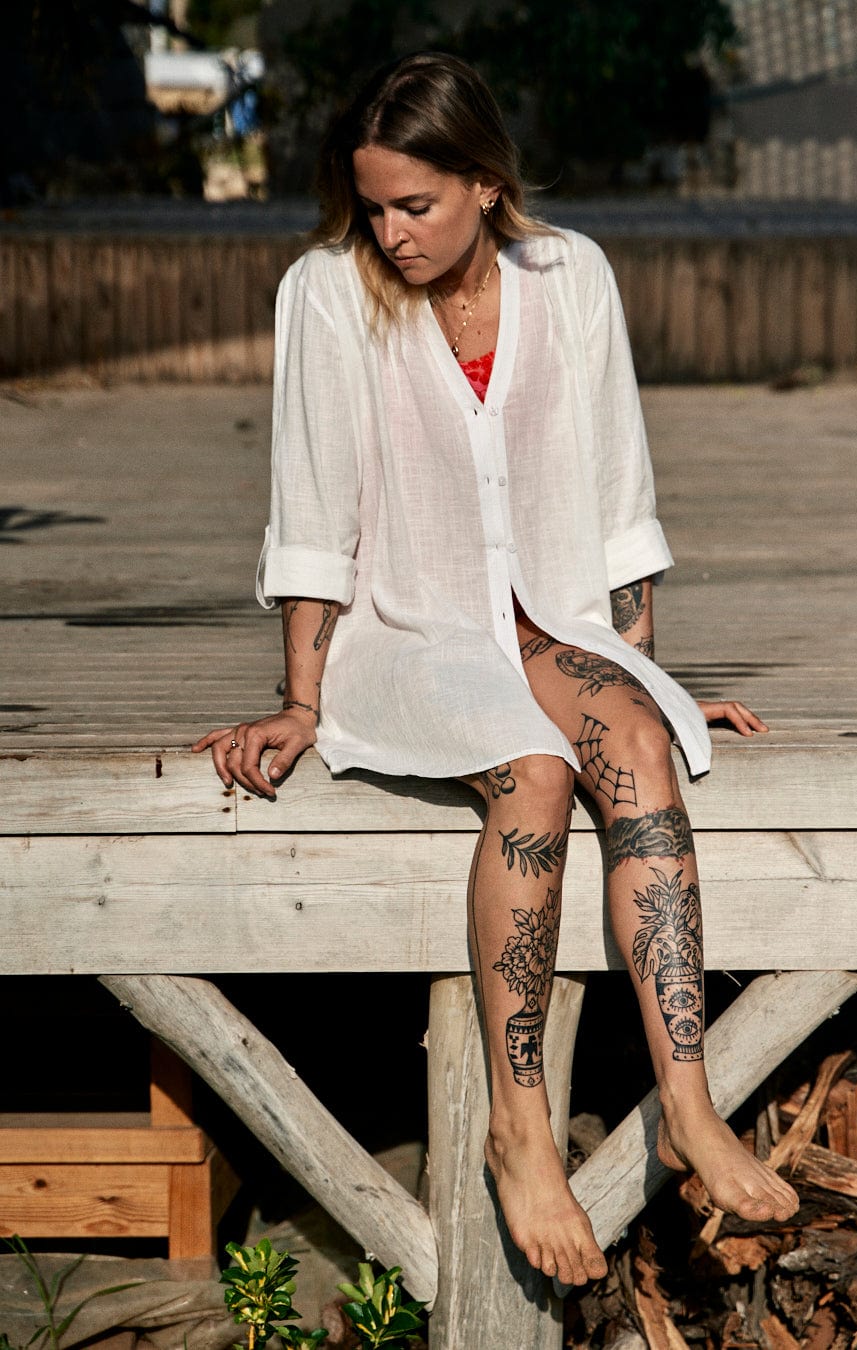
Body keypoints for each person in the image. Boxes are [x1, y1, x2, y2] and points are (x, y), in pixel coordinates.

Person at [194, 51, 798, 1289]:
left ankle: (687, 1106)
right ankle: (519, 1129)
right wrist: (305, 699)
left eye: (415, 204)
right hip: (403, 637)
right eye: (373, 207)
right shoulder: (325, 292)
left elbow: (620, 503)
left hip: (547, 622)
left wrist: (645, 680)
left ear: (482, 182)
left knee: (631, 744)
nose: (391, 232)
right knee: (530, 769)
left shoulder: (568, 274)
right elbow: (313, 514)